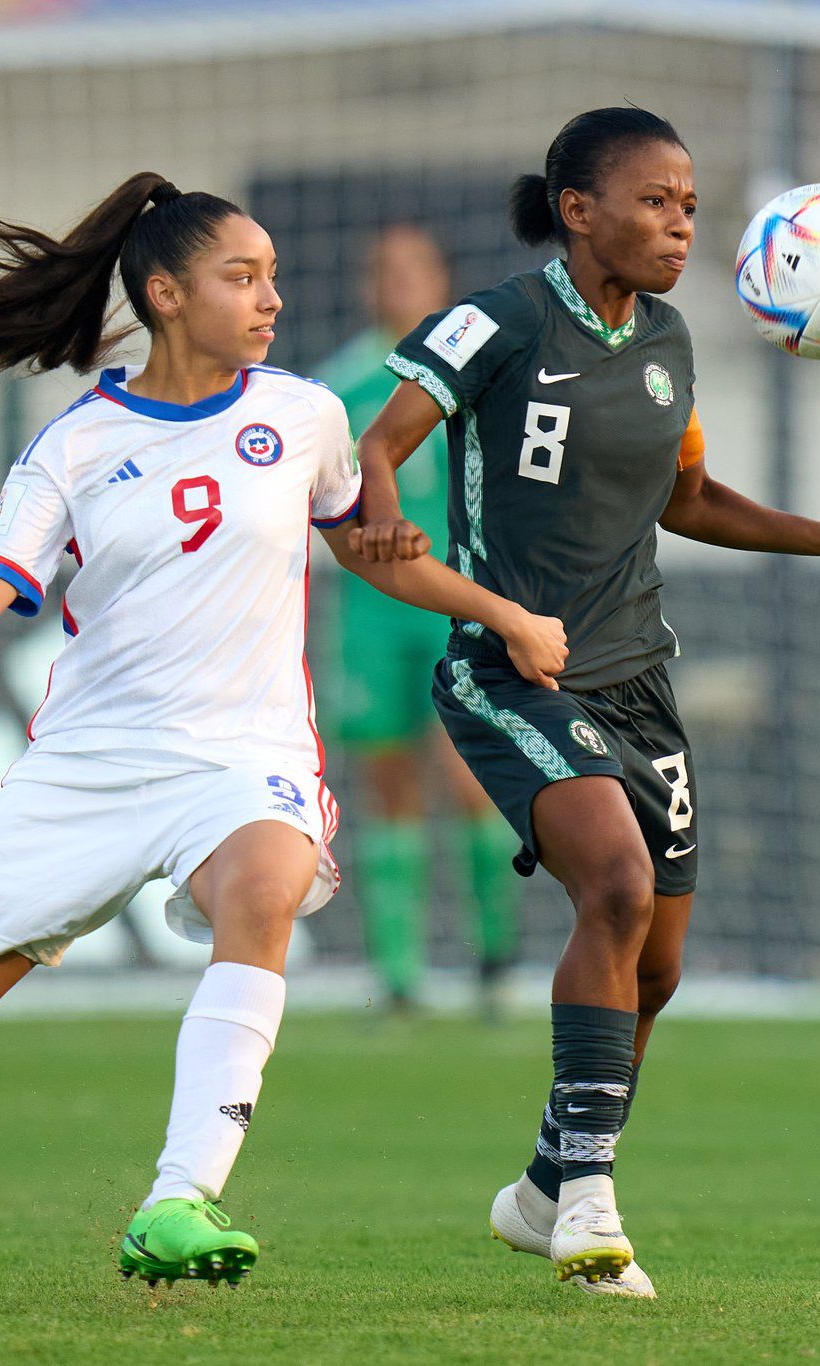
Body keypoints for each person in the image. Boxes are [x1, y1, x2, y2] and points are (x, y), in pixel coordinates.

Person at [0, 172, 566, 1307]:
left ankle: (179, 1197)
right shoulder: (75, 447)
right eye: (242, 276)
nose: (271, 296)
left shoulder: (306, 414)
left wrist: (498, 610)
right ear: (166, 294)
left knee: (264, 884)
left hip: (242, 753)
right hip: (85, 770)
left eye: (273, 274)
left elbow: (368, 547)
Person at [352, 107, 820, 1294]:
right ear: (577, 211)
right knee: (615, 885)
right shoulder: (497, 322)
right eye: (653, 200)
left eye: (687, 203)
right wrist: (379, 501)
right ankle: (588, 1202)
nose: (680, 222)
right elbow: (385, 439)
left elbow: (688, 497)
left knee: (656, 968)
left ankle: (537, 1189)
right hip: (511, 666)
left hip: (637, 675)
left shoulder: (669, 339)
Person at [316, 225, 520, 1015]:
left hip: (455, 604)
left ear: (441, 280)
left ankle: (493, 958)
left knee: (472, 778)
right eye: (385, 267)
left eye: (416, 266)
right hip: (370, 616)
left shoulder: (480, 370)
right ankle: (397, 973)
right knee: (388, 782)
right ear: (370, 285)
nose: (400, 279)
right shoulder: (337, 387)